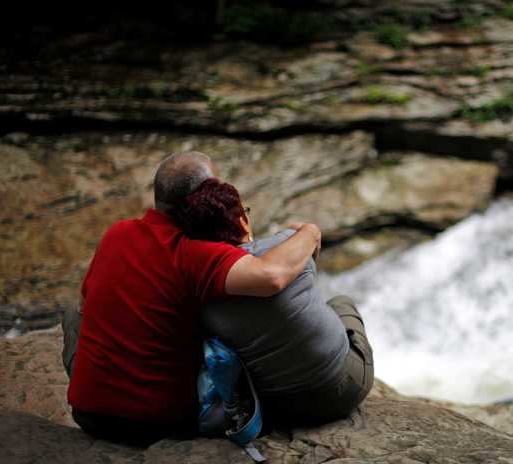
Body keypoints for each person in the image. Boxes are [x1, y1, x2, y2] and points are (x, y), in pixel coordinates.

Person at [62, 151, 321, 446]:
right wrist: (310, 232)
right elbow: (271, 275)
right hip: (156, 427)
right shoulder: (195, 254)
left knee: (73, 313)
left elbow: (87, 305)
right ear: (207, 195)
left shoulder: (117, 232)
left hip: (88, 414)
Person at [175, 178, 374, 426]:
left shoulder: (197, 287)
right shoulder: (286, 243)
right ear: (241, 220)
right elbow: (307, 257)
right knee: (341, 302)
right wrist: (306, 231)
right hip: (344, 389)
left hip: (283, 409)